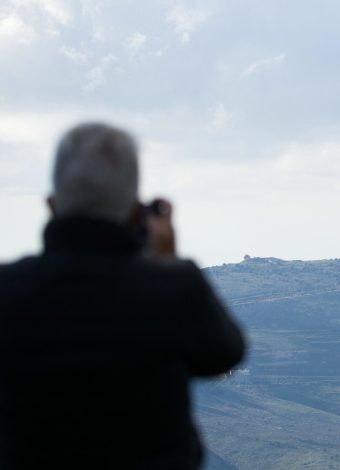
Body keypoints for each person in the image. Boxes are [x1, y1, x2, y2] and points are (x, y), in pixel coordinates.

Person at [0, 123, 245, 469]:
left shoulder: (8, 290)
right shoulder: (172, 288)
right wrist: (167, 262)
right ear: (136, 212)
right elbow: (224, 353)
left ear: (52, 205)